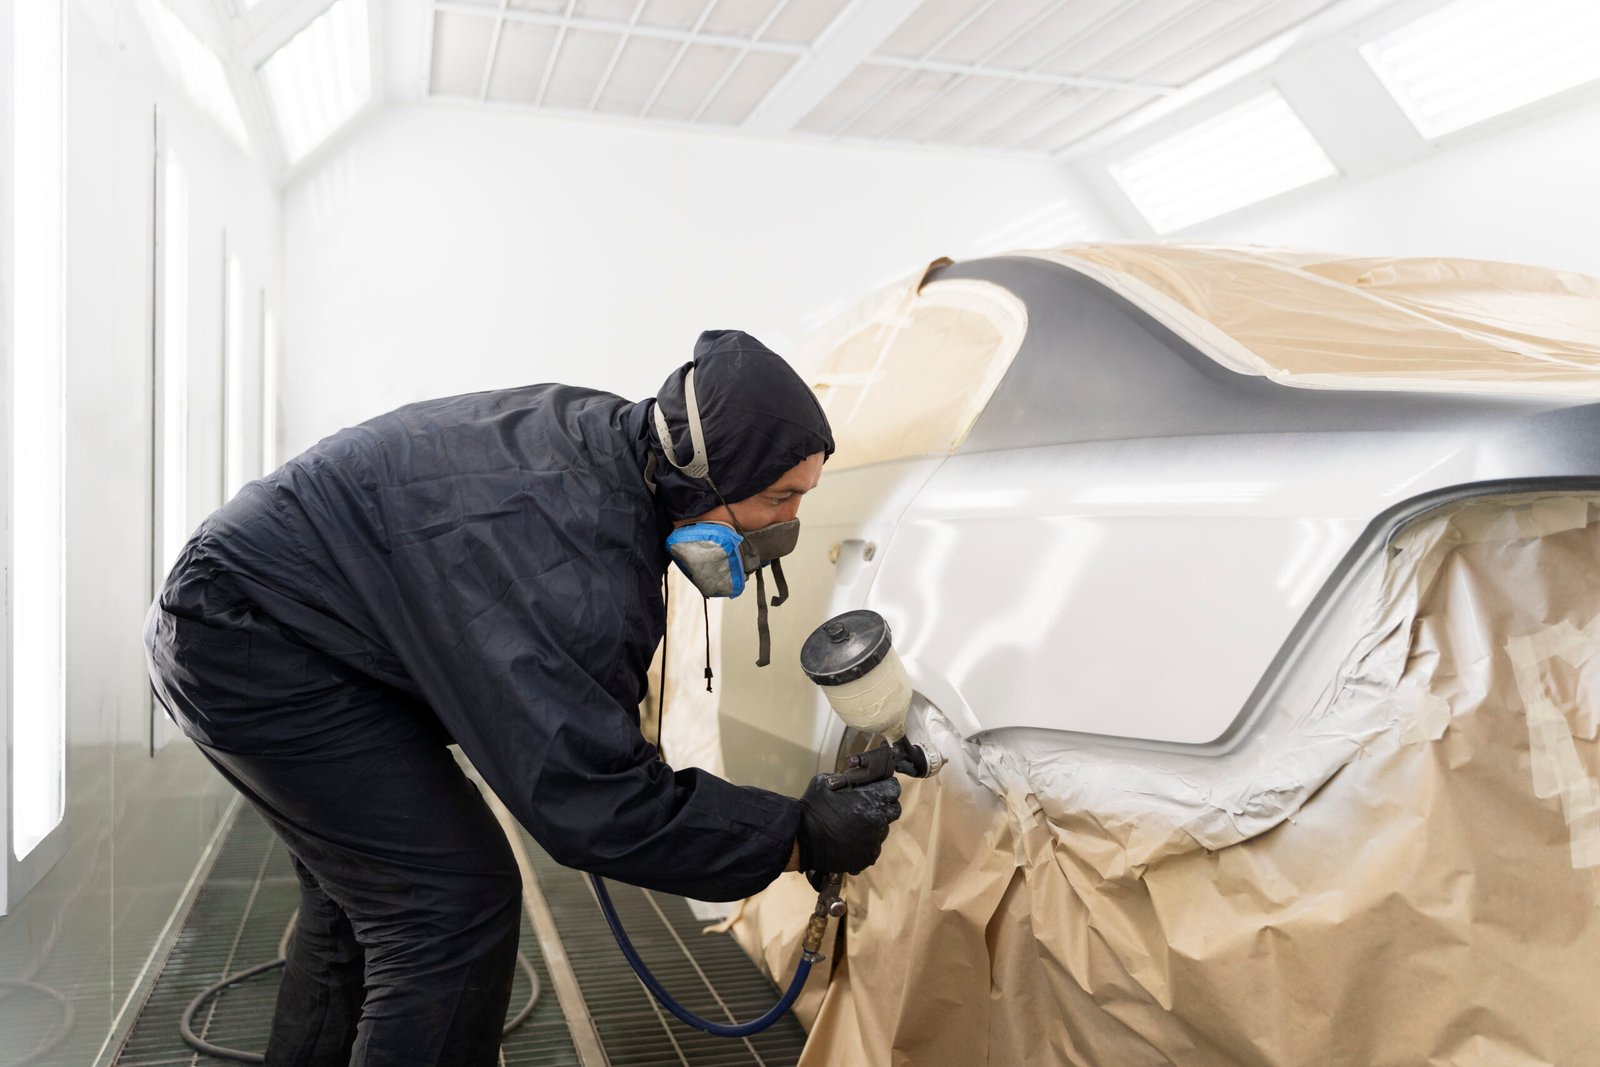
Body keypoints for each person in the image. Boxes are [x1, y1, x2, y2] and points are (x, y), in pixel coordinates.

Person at [144, 330, 903, 1066]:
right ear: (705, 470)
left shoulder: (619, 448)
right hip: (251, 638)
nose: (789, 527)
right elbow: (591, 798)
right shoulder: (581, 557)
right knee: (450, 906)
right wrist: (795, 835)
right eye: (777, 497)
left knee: (366, 897)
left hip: (273, 616)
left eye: (803, 497)